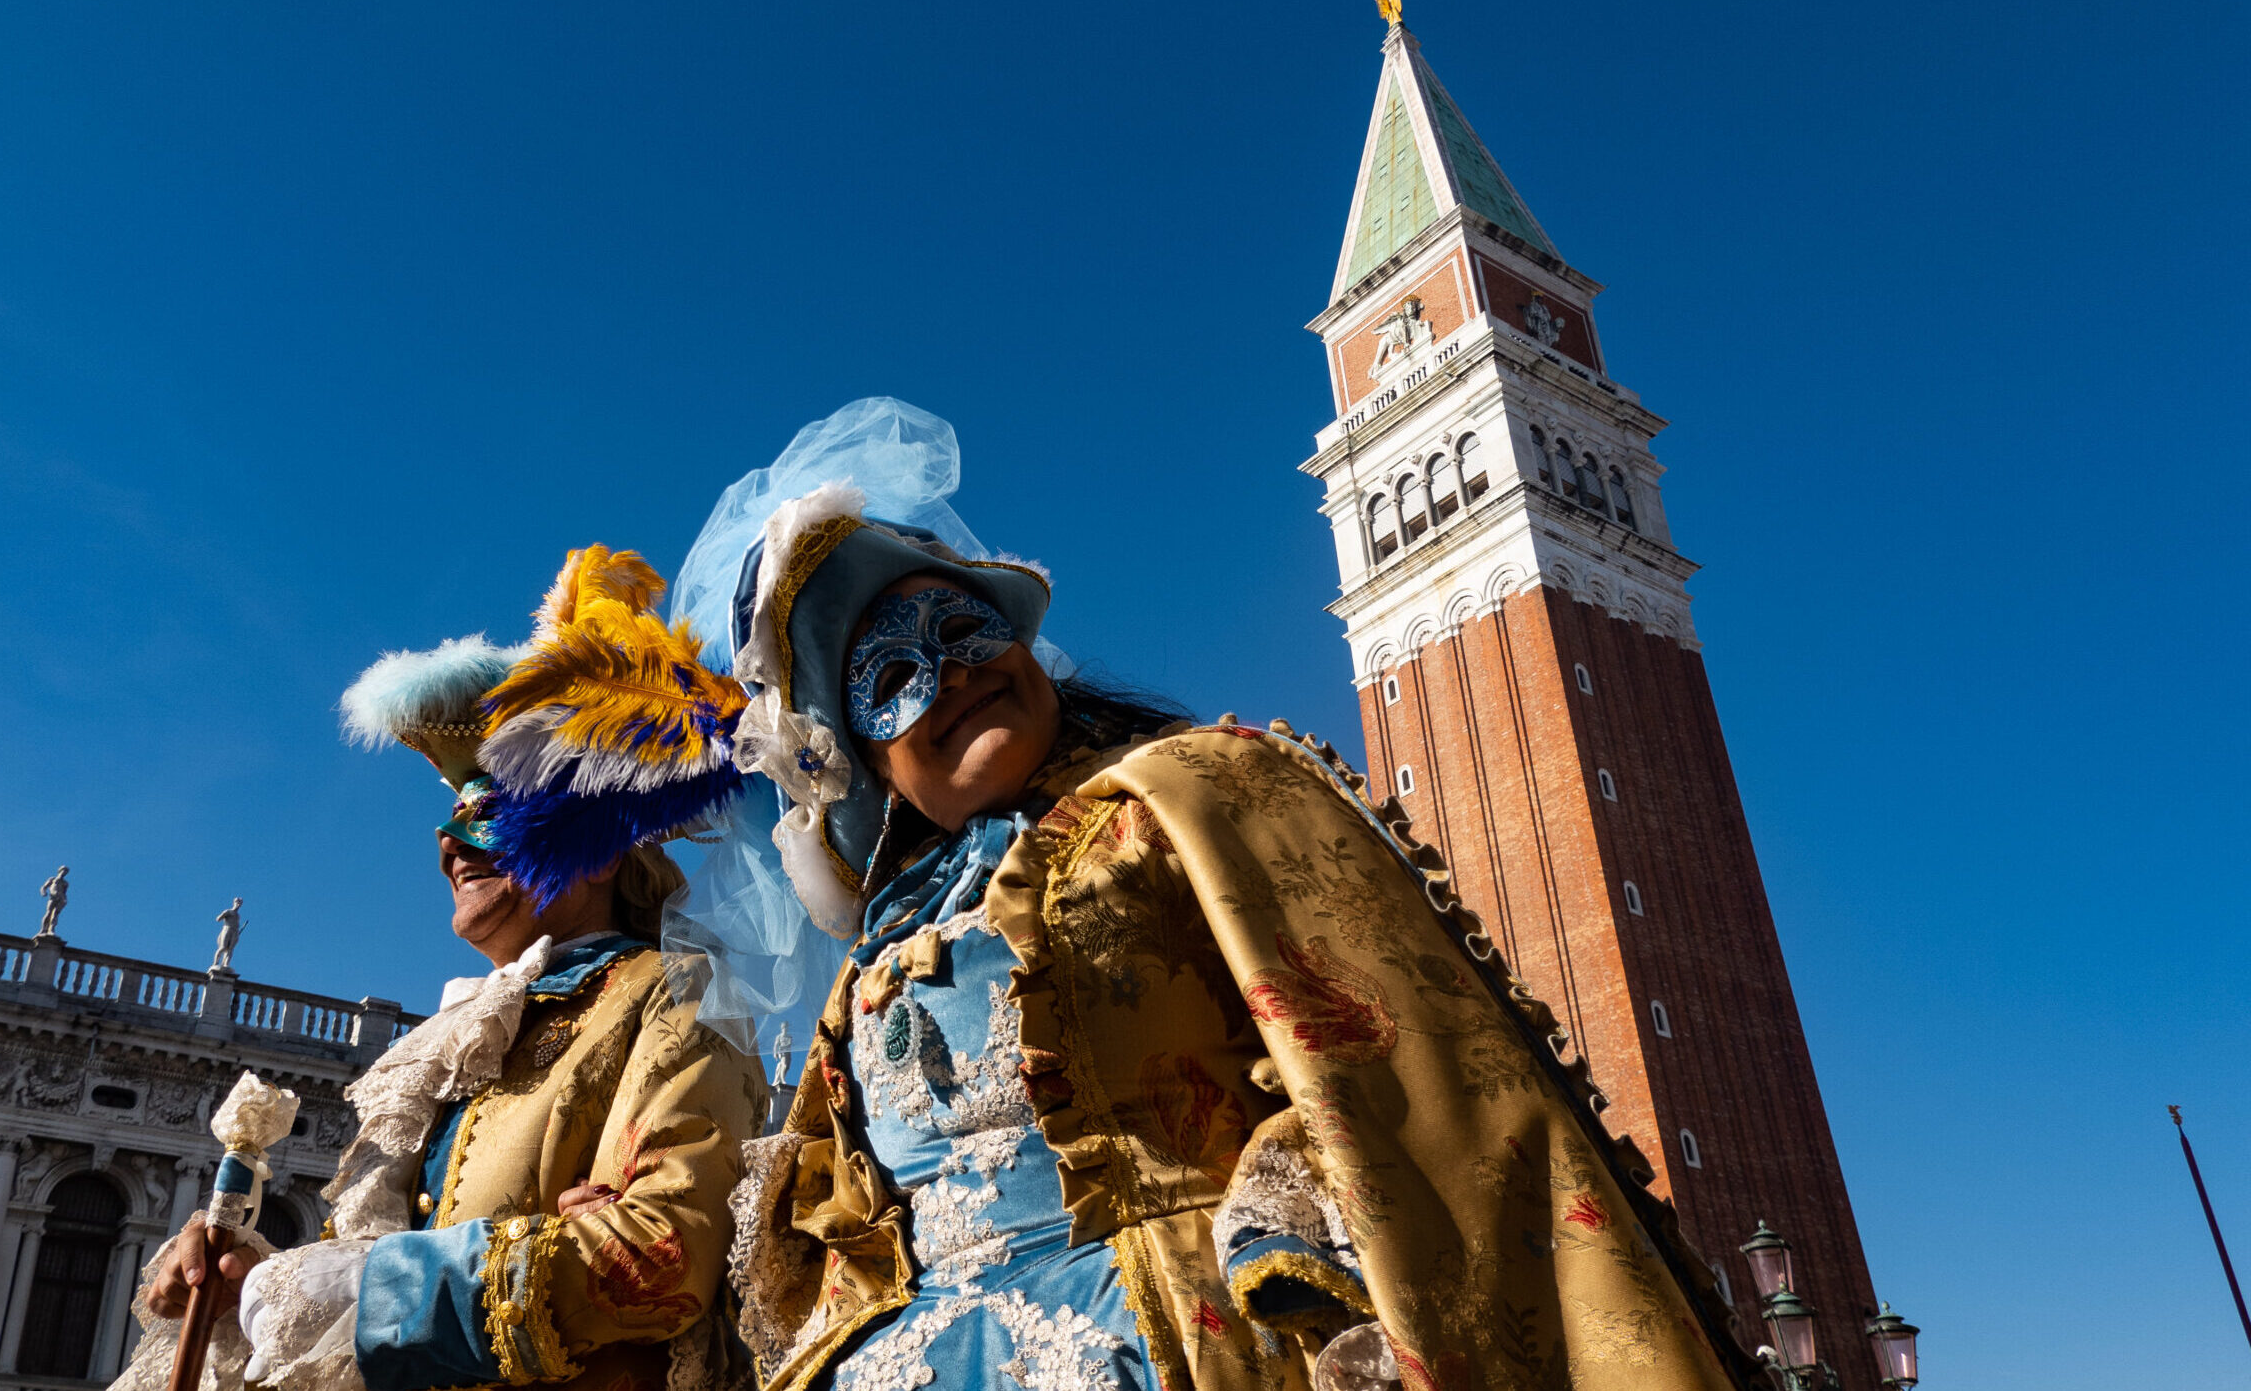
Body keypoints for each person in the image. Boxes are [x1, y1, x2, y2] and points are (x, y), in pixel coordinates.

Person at [675, 399, 1749, 1391]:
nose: (950, 674)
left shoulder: (1200, 787)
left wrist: (1290, 1224)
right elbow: (818, 1233)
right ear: (863, 763)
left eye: (961, 631)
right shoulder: (874, 956)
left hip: (1181, 1339)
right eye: (890, 676)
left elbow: (1398, 1067)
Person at [124, 547, 766, 1391]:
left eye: (491, 817)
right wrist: (253, 1278)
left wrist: (362, 1286)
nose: (451, 848)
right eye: (447, 822)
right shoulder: (454, 1044)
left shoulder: (670, 995)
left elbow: (661, 1252)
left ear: (600, 851)